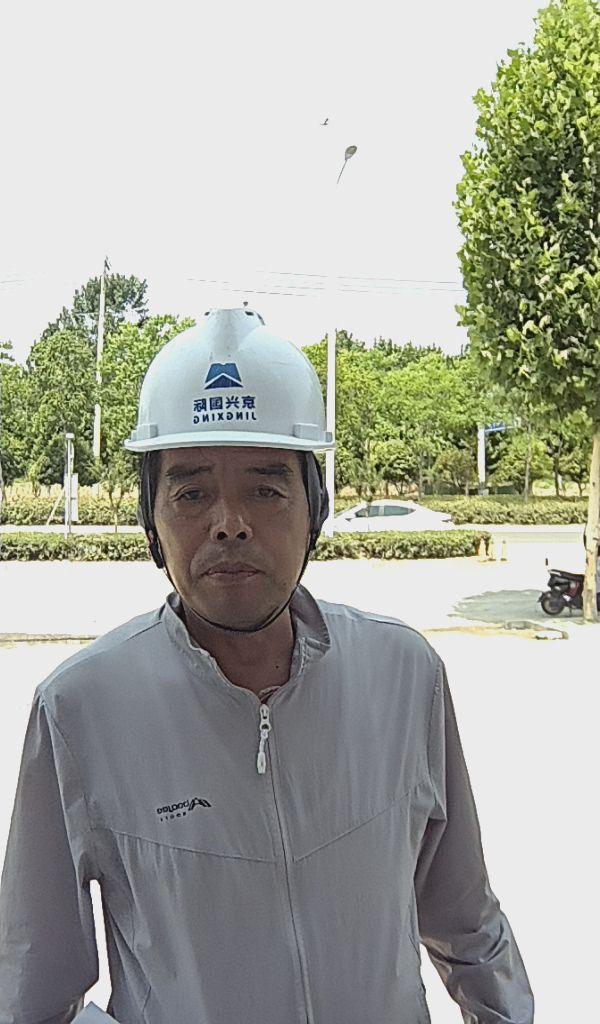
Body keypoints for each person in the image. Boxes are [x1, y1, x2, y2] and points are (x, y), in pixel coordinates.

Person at [0, 308, 534, 1024]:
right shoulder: (81, 710)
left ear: (315, 509)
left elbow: (467, 921)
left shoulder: (404, 676)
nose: (230, 523)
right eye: (191, 492)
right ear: (151, 519)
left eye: (266, 487)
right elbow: (32, 990)